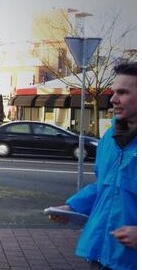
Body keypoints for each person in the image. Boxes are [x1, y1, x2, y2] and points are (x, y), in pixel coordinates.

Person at [49, 62, 137, 269]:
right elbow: (104, 185)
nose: (113, 99)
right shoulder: (110, 138)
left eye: (122, 93)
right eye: (114, 92)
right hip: (102, 253)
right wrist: (72, 207)